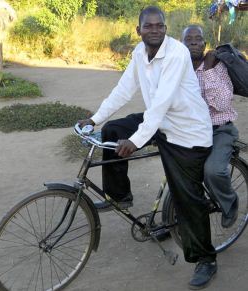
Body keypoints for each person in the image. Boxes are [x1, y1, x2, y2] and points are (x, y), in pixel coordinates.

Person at [79, 6, 216, 289]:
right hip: (161, 122)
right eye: (148, 25)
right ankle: (120, 195)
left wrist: (137, 140)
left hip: (187, 132)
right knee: (113, 130)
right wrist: (95, 118)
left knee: (187, 200)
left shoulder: (177, 53)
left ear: (165, 28)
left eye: (160, 25)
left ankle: (206, 259)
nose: (154, 29)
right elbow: (123, 89)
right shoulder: (139, 54)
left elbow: (162, 101)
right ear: (138, 29)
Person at [181, 25, 239, 229]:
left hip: (220, 130)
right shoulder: (179, 69)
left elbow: (223, 104)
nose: (194, 42)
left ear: (205, 45)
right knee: (177, 171)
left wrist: (207, 70)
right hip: (193, 131)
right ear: (181, 45)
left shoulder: (217, 67)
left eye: (198, 39)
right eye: (189, 39)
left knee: (213, 171)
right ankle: (170, 219)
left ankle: (229, 203)